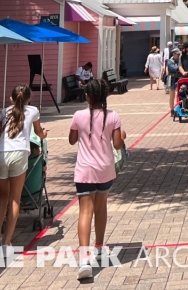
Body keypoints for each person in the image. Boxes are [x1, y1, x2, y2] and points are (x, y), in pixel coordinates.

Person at [69, 79, 126, 281]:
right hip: (105, 169)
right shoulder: (113, 116)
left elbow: (72, 140)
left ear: (88, 96)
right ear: (106, 96)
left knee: (85, 212)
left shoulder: (79, 115)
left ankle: (84, 260)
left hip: (85, 170)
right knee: (101, 208)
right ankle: (100, 248)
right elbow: (118, 145)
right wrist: (122, 134)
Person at [0, 85, 46, 253]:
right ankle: (7, 242)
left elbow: (2, 134)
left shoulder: (4, 112)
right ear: (29, 98)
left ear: (11, 99)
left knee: (3, 196)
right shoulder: (33, 111)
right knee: (15, 198)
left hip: (1, 153)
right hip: (20, 152)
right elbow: (38, 132)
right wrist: (44, 134)